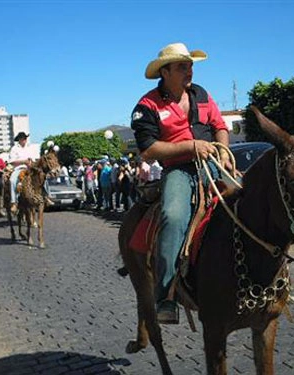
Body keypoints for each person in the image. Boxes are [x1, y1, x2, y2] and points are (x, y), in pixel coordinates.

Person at [130, 42, 231, 323]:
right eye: (183, 66)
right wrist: (190, 147)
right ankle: (166, 296)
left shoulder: (202, 95)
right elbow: (149, 149)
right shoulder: (147, 105)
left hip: (212, 163)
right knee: (173, 216)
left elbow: (220, 127)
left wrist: (222, 152)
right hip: (179, 170)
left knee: (250, 200)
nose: (190, 71)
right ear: (165, 71)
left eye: (190, 66)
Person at [8, 132, 35, 213]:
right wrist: (23, 161)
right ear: (19, 140)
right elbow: (12, 162)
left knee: (42, 177)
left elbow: (33, 159)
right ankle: (14, 202)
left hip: (30, 168)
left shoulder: (30, 148)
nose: (24, 140)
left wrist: (31, 163)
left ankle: (46, 196)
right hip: (19, 169)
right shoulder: (14, 149)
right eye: (23, 138)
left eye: (25, 138)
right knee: (12, 180)